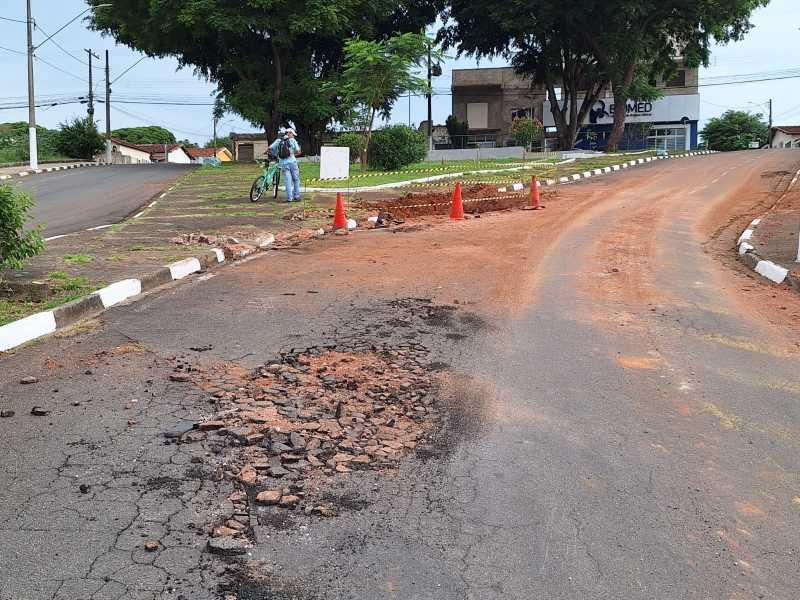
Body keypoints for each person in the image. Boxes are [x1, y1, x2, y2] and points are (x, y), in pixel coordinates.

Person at [269, 127, 302, 202]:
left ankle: (289, 198)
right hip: (292, 162)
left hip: (283, 163)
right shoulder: (292, 140)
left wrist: (274, 154)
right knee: (296, 179)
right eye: (293, 134)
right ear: (289, 133)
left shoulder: (278, 140)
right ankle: (296, 196)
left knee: (287, 181)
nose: (293, 136)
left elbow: (270, 148)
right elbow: (298, 150)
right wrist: (292, 153)